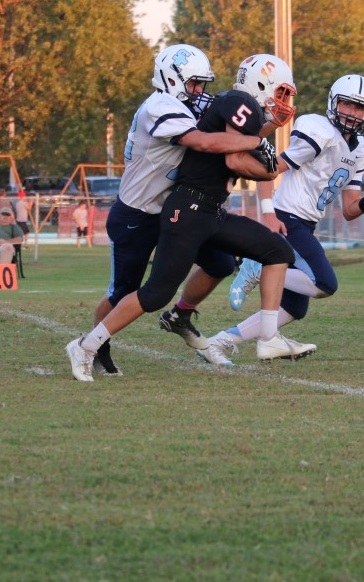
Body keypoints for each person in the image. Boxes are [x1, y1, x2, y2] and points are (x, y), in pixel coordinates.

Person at [66, 52, 298, 382]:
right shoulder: (160, 106)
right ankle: (94, 346)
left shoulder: (190, 104)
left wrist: (265, 132)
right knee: (128, 292)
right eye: (194, 84)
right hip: (139, 212)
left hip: (180, 208)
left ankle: (181, 316)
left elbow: (231, 136)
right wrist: (260, 142)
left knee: (220, 264)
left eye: (201, 84)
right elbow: (204, 142)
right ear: (171, 78)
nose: (199, 91)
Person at [215, 74, 364, 360]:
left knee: (293, 308)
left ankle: (220, 341)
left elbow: (350, 210)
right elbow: (269, 168)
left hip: (306, 224)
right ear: (334, 103)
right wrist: (268, 212)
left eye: (361, 108)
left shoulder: (361, 150)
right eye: (348, 105)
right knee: (324, 283)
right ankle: (259, 269)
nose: (353, 113)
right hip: (288, 218)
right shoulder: (319, 130)